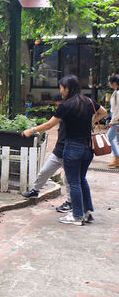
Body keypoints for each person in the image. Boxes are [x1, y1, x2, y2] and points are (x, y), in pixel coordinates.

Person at [22, 75, 108, 225]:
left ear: (68, 88)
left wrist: (32, 130)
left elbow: (49, 125)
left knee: (74, 182)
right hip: (88, 148)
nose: (60, 91)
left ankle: (77, 216)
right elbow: (103, 112)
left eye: (61, 88)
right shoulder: (88, 101)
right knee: (81, 180)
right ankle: (87, 213)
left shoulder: (66, 106)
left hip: (73, 147)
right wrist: (90, 122)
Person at [107, 74, 119, 168]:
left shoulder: (117, 93)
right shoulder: (116, 92)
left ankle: (117, 157)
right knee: (117, 139)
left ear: (114, 83)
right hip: (116, 119)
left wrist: (112, 121)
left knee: (109, 137)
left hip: (117, 120)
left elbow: (117, 109)